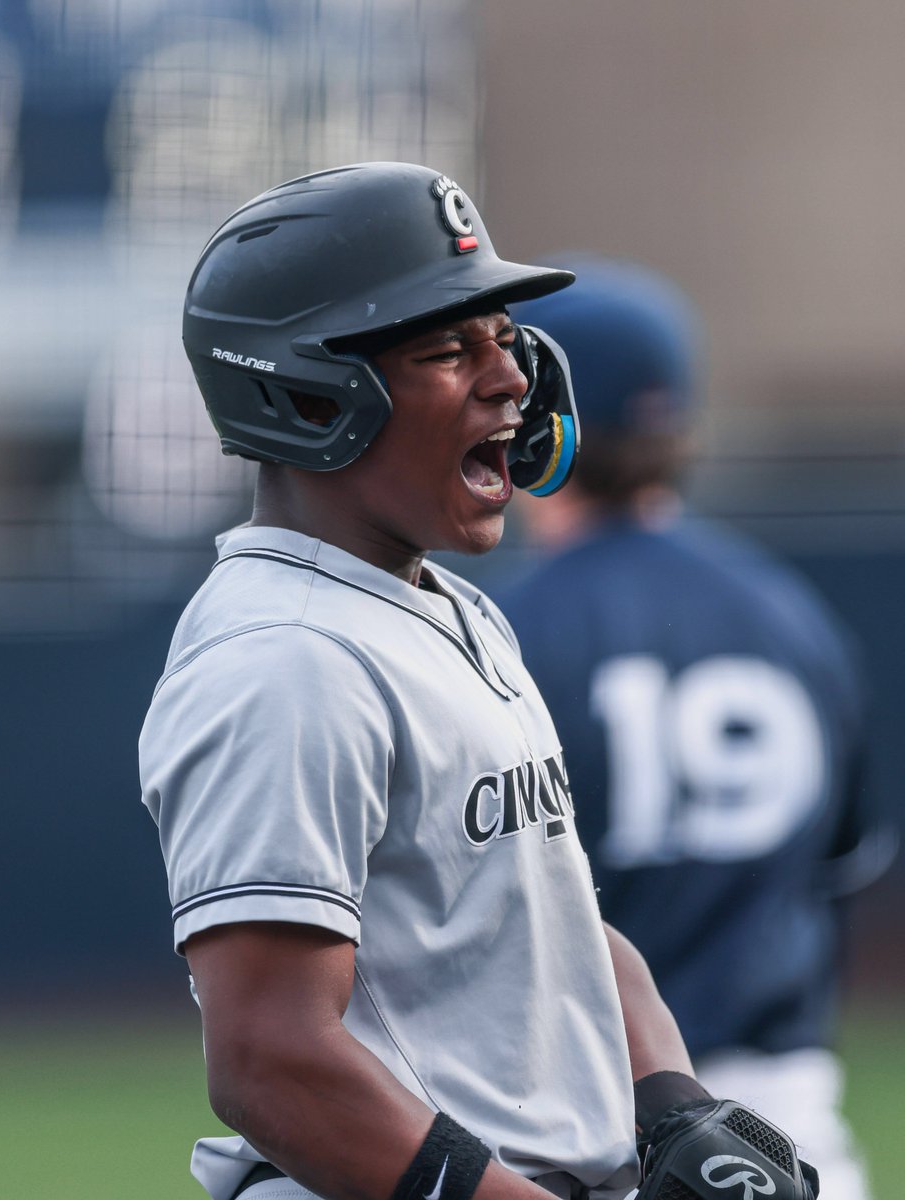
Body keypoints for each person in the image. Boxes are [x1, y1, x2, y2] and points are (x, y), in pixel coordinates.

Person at [139, 164, 818, 1200]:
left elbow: (554, 931)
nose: (509, 380)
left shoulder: (445, 606)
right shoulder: (284, 657)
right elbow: (272, 1058)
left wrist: (677, 1111)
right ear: (310, 394)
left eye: (503, 339)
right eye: (448, 349)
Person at [496, 257, 899, 1200]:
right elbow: (841, 870)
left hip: (596, 1126)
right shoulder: (790, 616)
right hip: (791, 1135)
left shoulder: (508, 634)